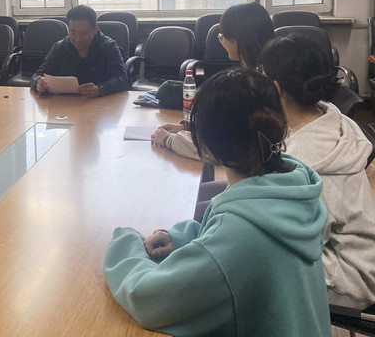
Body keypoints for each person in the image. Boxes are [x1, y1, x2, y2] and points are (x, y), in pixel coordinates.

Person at [104, 69, 330, 336]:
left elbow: (147, 297)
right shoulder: (293, 186)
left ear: (208, 146)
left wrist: (125, 241)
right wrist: (180, 237)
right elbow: (221, 237)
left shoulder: (238, 236)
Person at [261, 34, 375, 310]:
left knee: (248, 255)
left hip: (349, 279)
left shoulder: (306, 158)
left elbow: (301, 238)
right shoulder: (325, 114)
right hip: (355, 255)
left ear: (276, 88)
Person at [151, 2, 275, 154]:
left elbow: (223, 147)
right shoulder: (266, 72)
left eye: (222, 36)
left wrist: (169, 139)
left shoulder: (253, 86)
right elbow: (230, 127)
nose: (221, 41)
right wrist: (188, 127)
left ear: (237, 39)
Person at [30, 5, 129, 98]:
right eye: (72, 32)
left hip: (100, 104)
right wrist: (38, 82)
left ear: (94, 29)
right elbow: (36, 76)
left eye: (83, 33)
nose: (77, 39)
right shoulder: (60, 47)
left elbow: (123, 80)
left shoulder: (108, 47)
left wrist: (100, 89)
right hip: (66, 104)